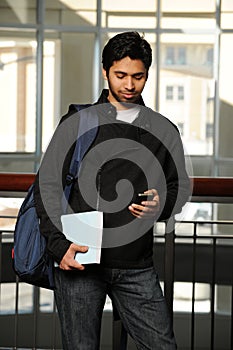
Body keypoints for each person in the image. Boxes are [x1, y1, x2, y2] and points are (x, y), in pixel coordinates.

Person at [34, 31, 191, 349]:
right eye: (120, 75)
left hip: (136, 265)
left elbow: (178, 187)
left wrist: (161, 204)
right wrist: (58, 245)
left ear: (147, 75)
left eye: (138, 76)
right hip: (80, 259)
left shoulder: (164, 129)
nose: (129, 85)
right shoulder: (77, 122)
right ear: (105, 71)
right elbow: (47, 185)